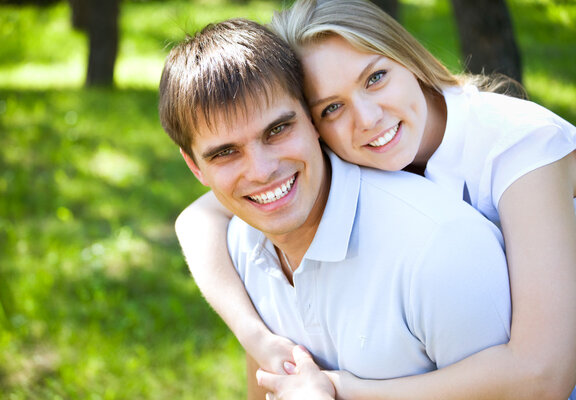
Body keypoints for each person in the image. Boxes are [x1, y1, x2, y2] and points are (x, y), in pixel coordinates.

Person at [175, 0, 576, 399]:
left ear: (408, 58)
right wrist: (258, 338)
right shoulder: (325, 157)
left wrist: (341, 389)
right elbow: (199, 220)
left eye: (375, 78)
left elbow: (544, 375)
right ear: (313, 124)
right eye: (332, 107)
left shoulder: (518, 148)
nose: (367, 118)